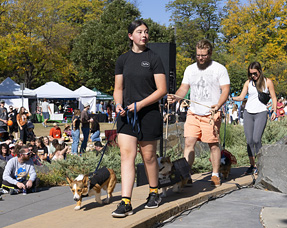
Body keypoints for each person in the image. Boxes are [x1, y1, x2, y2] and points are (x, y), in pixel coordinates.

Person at [112, 20, 167, 218]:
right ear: (130, 36)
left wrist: (140, 105)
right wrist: (118, 104)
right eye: (139, 32)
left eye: (146, 32)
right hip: (126, 115)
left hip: (148, 114)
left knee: (149, 157)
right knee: (127, 156)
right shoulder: (122, 60)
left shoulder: (154, 58)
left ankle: (154, 192)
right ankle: (125, 201)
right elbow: (118, 89)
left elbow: (162, 90)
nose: (144, 35)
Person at [168, 39, 230, 187]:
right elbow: (184, 88)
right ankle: (186, 174)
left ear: (210, 53)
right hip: (193, 113)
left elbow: (225, 89)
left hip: (211, 114)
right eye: (198, 55)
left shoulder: (219, 69)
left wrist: (218, 105)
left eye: (203, 55)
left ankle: (215, 174)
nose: (200, 58)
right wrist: (176, 97)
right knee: (189, 142)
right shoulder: (190, 69)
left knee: (213, 145)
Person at [232, 62, 277, 175]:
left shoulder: (268, 82)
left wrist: (274, 110)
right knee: (249, 141)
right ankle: (252, 166)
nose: (252, 76)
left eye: (254, 73)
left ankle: (260, 164)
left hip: (261, 113)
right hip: (248, 113)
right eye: (250, 73)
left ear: (260, 71)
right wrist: (230, 97)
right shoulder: (248, 83)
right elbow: (242, 97)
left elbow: (274, 97)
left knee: (257, 139)